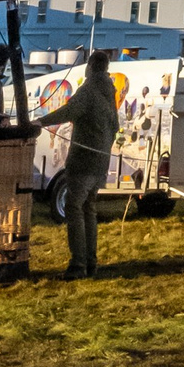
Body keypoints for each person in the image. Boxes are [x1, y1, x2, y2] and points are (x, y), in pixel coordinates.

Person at [60, 52, 118, 277]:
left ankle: (78, 264)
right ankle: (91, 262)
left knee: (74, 208)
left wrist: (39, 121)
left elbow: (68, 111)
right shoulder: (109, 92)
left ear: (91, 66)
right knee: (89, 209)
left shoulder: (89, 90)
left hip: (82, 159)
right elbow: (114, 126)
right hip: (100, 161)